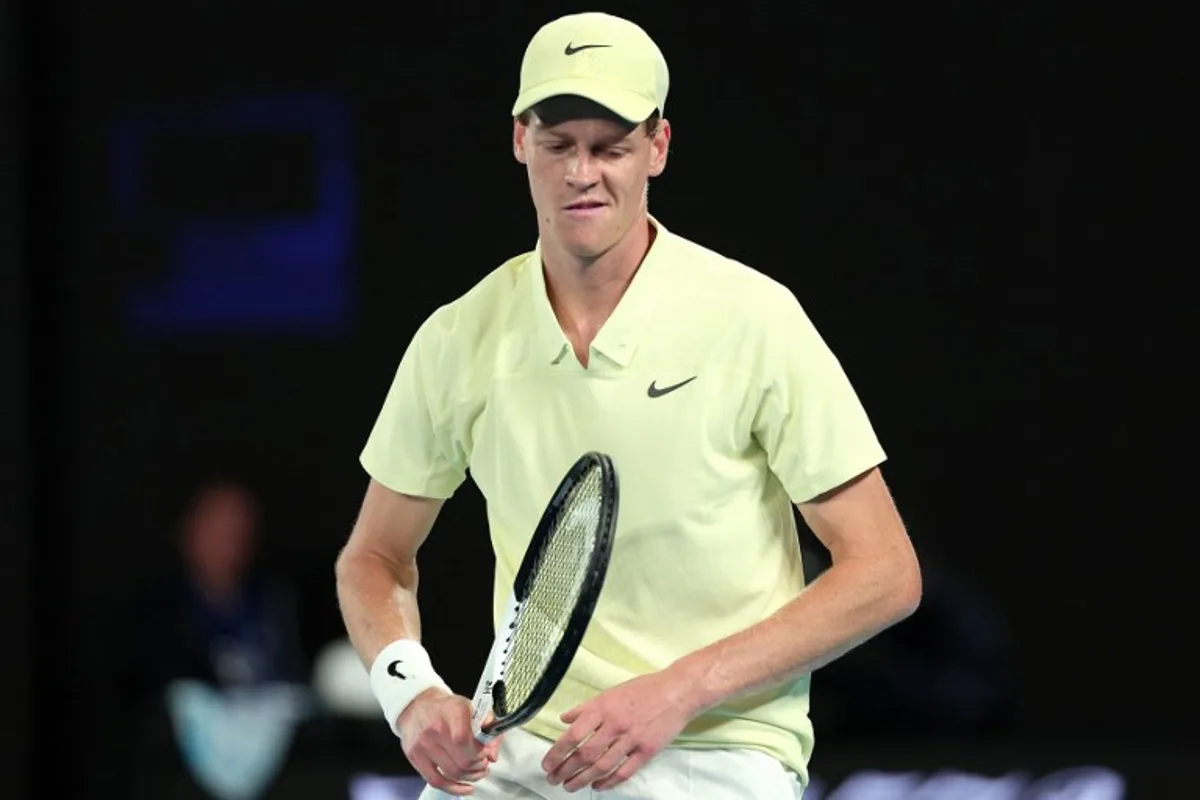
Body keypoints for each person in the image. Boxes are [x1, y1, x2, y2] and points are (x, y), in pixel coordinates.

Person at [335, 11, 922, 799]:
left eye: (610, 147)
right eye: (559, 145)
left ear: (658, 148)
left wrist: (678, 690)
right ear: (519, 141)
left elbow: (885, 572)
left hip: (716, 752)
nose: (583, 173)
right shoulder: (457, 339)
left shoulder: (753, 318)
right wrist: (410, 696)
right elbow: (372, 559)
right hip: (520, 753)